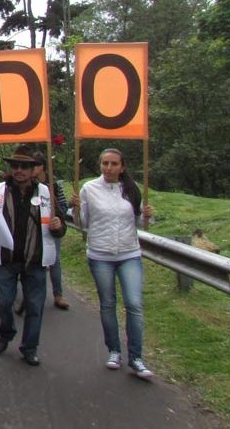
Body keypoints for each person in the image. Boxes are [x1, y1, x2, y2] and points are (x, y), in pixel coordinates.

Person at [71, 148, 156, 380]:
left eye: (113, 164)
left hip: (129, 253)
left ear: (122, 167)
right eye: (105, 163)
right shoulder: (89, 188)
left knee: (134, 304)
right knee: (108, 304)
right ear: (100, 166)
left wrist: (148, 215)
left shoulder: (131, 189)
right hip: (100, 254)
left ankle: (136, 357)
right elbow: (82, 223)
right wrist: (75, 208)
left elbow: (140, 222)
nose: (108, 168)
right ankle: (114, 351)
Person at [0, 145, 66, 367]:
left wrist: (58, 226)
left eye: (24, 166)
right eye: (15, 166)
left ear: (33, 170)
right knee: (3, 302)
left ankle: (30, 347)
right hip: (6, 258)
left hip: (35, 260)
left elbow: (60, 226)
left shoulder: (46, 194)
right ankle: (6, 332)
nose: (19, 170)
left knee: (34, 306)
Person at [32, 151, 70, 310]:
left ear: (41, 167)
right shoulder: (29, 185)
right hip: (33, 227)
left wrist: (55, 217)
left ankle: (58, 294)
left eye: (33, 165)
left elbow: (63, 206)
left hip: (50, 228)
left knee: (54, 260)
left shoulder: (53, 184)